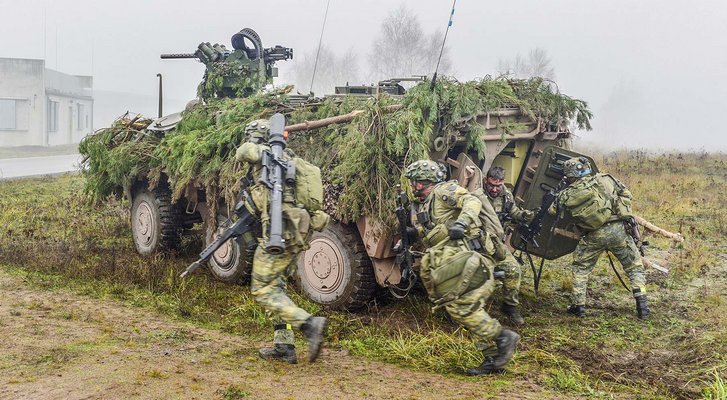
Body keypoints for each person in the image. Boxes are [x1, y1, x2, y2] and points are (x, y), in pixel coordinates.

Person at [404, 160, 520, 375]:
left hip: (469, 256)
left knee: (462, 307)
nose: (412, 185)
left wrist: (462, 223)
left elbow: (471, 201)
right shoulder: (424, 202)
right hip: (456, 259)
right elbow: (436, 228)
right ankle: (492, 359)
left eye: (414, 181)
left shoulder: (443, 191)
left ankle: (502, 337)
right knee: (467, 307)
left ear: (422, 181)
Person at [236, 119, 331, 364]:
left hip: (279, 233)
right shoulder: (287, 160)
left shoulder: (264, 155)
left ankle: (309, 324)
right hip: (295, 232)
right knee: (277, 288)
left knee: (263, 290)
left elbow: (243, 152)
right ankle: (284, 346)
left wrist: (255, 144)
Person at [548, 157, 650, 319]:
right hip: (619, 231)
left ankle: (578, 306)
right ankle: (642, 306)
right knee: (634, 268)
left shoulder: (567, 194)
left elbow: (553, 211)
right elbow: (625, 193)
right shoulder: (605, 179)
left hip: (593, 235)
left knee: (581, 269)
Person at [480, 166, 535, 325]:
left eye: (498, 185)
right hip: (477, 243)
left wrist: (524, 216)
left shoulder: (506, 196)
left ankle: (510, 306)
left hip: (497, 244)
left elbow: (514, 213)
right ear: (486, 180)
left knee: (513, 269)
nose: (495, 189)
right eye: (491, 185)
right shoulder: (476, 194)